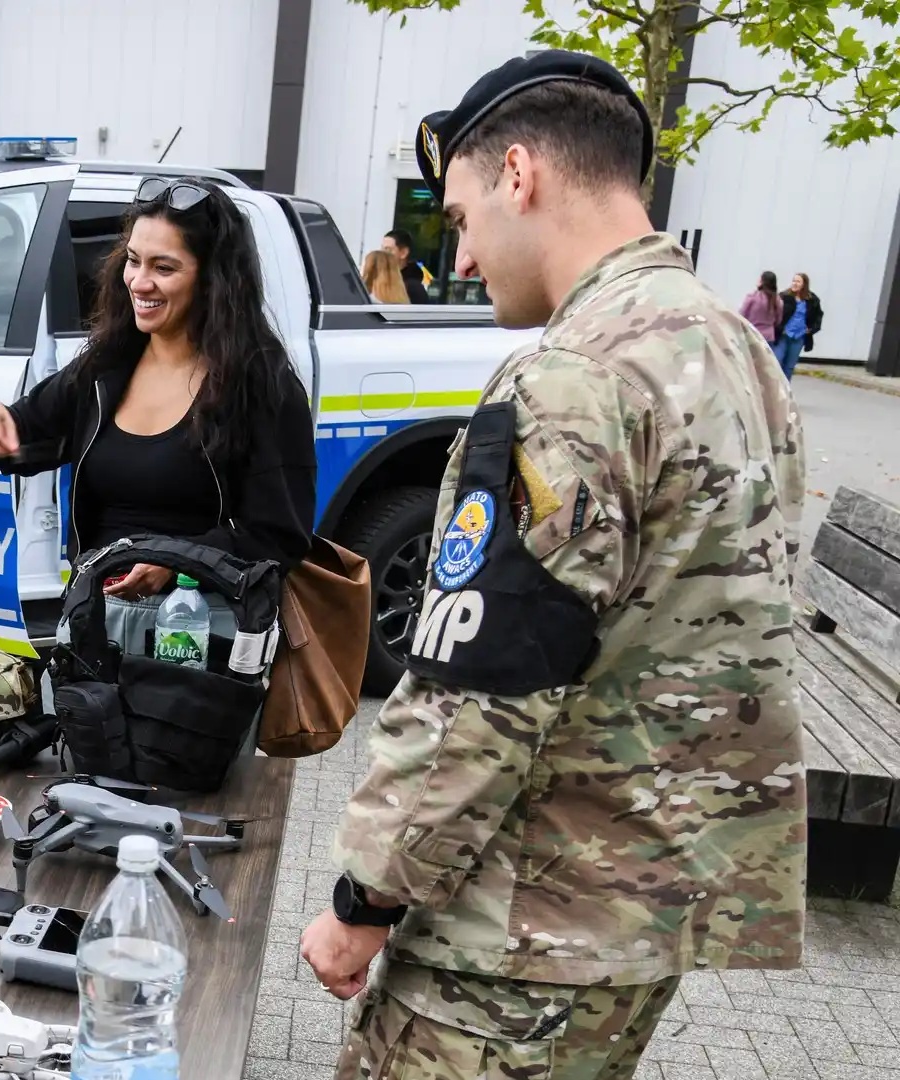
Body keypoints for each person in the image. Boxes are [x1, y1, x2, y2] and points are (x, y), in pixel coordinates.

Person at [300, 50, 806, 1080]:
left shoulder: (569, 378)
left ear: (520, 173)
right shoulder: (732, 349)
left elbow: (482, 687)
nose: (466, 256)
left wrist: (365, 898)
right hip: (640, 912)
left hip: (516, 931)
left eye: (464, 214)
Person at [0, 176, 315, 663]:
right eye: (133, 260)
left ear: (212, 277)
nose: (139, 281)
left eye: (164, 267)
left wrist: (176, 563)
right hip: (95, 624)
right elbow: (28, 429)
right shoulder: (105, 365)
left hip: (203, 639)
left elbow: (280, 535)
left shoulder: (261, 384)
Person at [775, 272, 824, 377]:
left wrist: (811, 329)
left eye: (798, 281)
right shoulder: (784, 296)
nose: (794, 283)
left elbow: (818, 316)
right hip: (784, 335)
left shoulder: (812, 299)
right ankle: (777, 389)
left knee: (789, 366)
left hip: (799, 336)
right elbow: (774, 313)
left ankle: (786, 390)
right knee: (778, 361)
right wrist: (779, 327)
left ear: (804, 284)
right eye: (793, 281)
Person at [381, 229, 433, 303]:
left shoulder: (413, 288)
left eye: (388, 250)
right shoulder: (382, 280)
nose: (382, 254)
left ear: (403, 253)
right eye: (382, 249)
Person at [740, 269, 782, 345]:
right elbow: (778, 320)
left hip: (752, 334)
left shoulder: (752, 296)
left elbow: (742, 315)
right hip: (769, 336)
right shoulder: (777, 300)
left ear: (762, 282)